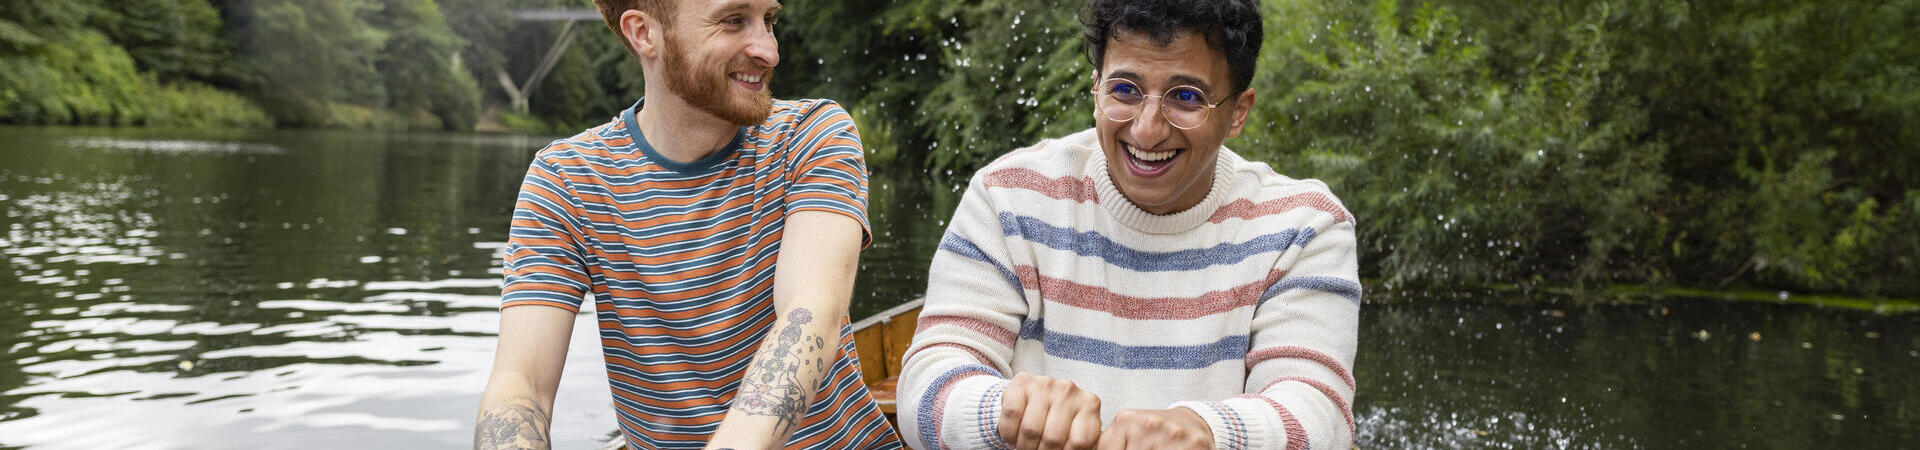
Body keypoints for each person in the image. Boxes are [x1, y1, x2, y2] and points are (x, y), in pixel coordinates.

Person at [896, 0, 1361, 448]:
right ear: (1096, 88)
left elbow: (1318, 414)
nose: (1147, 129)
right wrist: (1004, 409)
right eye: (1125, 90)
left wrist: (1206, 430)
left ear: (1238, 111)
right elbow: (925, 388)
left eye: (1186, 97)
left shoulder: (1306, 226)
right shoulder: (1008, 196)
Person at [473, 0, 902, 448]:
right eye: (734, 21)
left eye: (769, 21)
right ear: (643, 33)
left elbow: (809, 316)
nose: (769, 51)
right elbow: (522, 389)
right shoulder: (565, 180)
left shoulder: (812, 135)